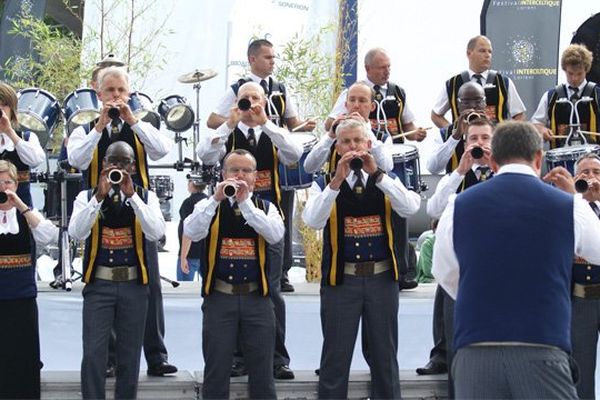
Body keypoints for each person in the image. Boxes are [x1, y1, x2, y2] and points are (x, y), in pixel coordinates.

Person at [433, 121, 600, 399]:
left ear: (494, 161)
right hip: (542, 343)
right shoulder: (568, 206)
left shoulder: (458, 205)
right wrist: (578, 199)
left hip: (476, 346)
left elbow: (446, 273)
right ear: (538, 158)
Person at [67, 67, 177, 377]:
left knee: (150, 282)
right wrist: (99, 127)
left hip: (136, 207)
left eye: (121, 90)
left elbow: (162, 149)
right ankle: (110, 359)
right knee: (105, 283)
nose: (116, 96)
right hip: (99, 210)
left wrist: (132, 120)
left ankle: (156, 355)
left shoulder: (140, 124)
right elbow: (75, 159)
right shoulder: (84, 128)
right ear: (98, 95)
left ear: (128, 94)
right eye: (110, 91)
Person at [302, 118, 421, 399]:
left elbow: (410, 208)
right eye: (346, 142)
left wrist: (377, 175)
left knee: (384, 358)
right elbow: (313, 221)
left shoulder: (387, 180)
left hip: (382, 279)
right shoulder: (325, 183)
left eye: (358, 141)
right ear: (337, 147)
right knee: (335, 358)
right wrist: (336, 180)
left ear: (368, 145)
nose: (353, 147)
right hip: (341, 281)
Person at [199, 80, 301, 379]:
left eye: (255, 99)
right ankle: (236, 356)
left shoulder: (272, 130)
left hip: (269, 218)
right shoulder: (228, 132)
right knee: (233, 288)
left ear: (265, 101)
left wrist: (266, 123)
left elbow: (294, 155)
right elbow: (206, 155)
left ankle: (276, 357)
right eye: (244, 100)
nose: (250, 106)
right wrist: (228, 124)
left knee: (272, 288)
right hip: (230, 217)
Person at [208, 38, 312, 294]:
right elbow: (212, 120)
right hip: (242, 166)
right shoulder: (236, 89)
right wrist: (240, 117)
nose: (272, 62)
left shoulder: (280, 88)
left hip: (270, 169)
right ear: (252, 59)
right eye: (268, 57)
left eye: (274, 58)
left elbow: (292, 121)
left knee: (279, 217)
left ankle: (282, 271)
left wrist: (282, 124)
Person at [68, 141, 166, 400]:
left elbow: (156, 232)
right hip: (99, 285)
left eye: (124, 163)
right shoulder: (86, 196)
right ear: (103, 164)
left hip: (134, 286)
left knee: (129, 356)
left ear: (133, 167)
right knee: (93, 354)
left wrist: (132, 196)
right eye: (113, 162)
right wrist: (98, 197)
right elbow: (77, 232)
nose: (118, 168)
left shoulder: (146, 196)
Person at [184, 149, 283, 399]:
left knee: (262, 375)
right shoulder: (207, 205)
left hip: (257, 300)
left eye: (246, 170)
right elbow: (192, 231)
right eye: (234, 170)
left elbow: (274, 235)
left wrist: (245, 202)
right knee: (216, 372)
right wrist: (216, 198)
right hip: (219, 298)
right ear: (223, 174)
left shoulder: (267, 207)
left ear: (256, 177)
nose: (239, 175)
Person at [420, 117, 495, 396]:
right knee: (456, 341)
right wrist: (460, 172)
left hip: (495, 271)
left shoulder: (505, 173)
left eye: (485, 139)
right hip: (459, 267)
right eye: (473, 139)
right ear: (465, 143)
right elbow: (434, 209)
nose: (479, 144)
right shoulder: (456, 175)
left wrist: (495, 166)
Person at [0, 160, 57, 400]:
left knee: (23, 353)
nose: (3, 187)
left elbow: (49, 236)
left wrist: (21, 205)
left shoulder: (25, 214)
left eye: (8, 182)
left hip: (22, 295)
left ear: (16, 183)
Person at [549, 153, 600, 399]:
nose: (591, 177)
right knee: (582, 363)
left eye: (596, 172)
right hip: (581, 300)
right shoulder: (567, 208)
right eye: (585, 172)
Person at [324, 48, 428, 143]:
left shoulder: (398, 92)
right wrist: (350, 121)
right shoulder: (353, 92)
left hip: (394, 154)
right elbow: (329, 125)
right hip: (364, 153)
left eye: (389, 67)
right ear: (367, 68)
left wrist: (416, 134)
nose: (387, 72)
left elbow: (408, 125)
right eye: (382, 68)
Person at [430, 35, 525, 129]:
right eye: (482, 51)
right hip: (463, 143)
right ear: (469, 53)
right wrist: (452, 132)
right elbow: (436, 115)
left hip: (495, 142)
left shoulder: (504, 82)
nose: (487, 55)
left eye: (490, 52)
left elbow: (519, 115)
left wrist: (505, 135)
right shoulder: (452, 83)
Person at [304, 81, 394, 175]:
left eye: (362, 101)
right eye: (352, 100)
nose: (356, 105)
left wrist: (367, 132)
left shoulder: (383, 138)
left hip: (372, 189)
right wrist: (330, 136)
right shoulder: (334, 135)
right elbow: (309, 168)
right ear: (346, 105)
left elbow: (387, 167)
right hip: (338, 188)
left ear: (372, 107)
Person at [532, 44, 600, 148]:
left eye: (579, 74)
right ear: (564, 69)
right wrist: (542, 130)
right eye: (570, 73)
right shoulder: (551, 96)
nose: (575, 78)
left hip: (593, 160)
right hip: (560, 160)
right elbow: (536, 124)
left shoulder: (597, 95)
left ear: (586, 70)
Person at [0, 83, 45, 208]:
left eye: (4, 105)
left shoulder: (27, 137)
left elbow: (35, 160)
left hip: (20, 211)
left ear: (12, 110)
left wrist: (9, 132)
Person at [178, 178, 206, 281]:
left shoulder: (188, 203)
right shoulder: (208, 201)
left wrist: (183, 256)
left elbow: (187, 230)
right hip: (205, 252)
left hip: (190, 254)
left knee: (184, 289)